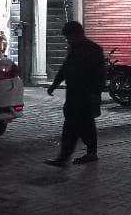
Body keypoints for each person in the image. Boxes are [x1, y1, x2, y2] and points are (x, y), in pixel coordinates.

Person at [44, 21, 105, 167]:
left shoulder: (93, 50)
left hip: (86, 95)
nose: (68, 40)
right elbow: (65, 69)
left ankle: (67, 156)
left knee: (76, 125)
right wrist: (55, 84)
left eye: (69, 37)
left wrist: (95, 94)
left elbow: (99, 75)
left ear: (77, 35)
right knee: (82, 124)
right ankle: (85, 153)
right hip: (73, 93)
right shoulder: (74, 49)